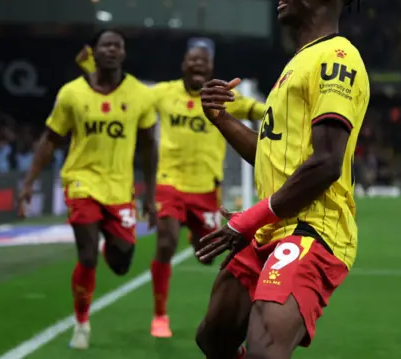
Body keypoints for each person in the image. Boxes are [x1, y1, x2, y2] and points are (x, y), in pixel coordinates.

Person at [194, 0, 376, 359]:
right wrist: (222, 119)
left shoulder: (338, 58)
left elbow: (327, 163)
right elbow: (270, 155)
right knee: (215, 337)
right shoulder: (296, 65)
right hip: (269, 229)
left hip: (312, 230)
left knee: (264, 350)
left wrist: (248, 219)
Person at [76, 44, 266, 338]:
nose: (197, 66)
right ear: (184, 65)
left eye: (203, 62)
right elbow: (128, 95)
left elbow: (260, 111)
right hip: (170, 184)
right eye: (192, 60)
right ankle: (160, 316)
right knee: (165, 242)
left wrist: (286, 109)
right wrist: (92, 70)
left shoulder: (221, 97)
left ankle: (195, 231)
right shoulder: (163, 93)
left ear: (210, 67)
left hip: (205, 189)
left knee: (207, 255)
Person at [18, 29, 158, 350]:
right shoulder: (71, 94)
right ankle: (81, 322)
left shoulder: (140, 95)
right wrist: (28, 182)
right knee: (87, 254)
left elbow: (150, 147)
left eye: (117, 45)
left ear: (124, 53)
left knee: (122, 263)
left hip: (121, 189)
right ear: (94, 51)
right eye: (105, 45)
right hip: (81, 181)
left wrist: (149, 194)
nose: (111, 50)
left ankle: (110, 241)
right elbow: (50, 139)